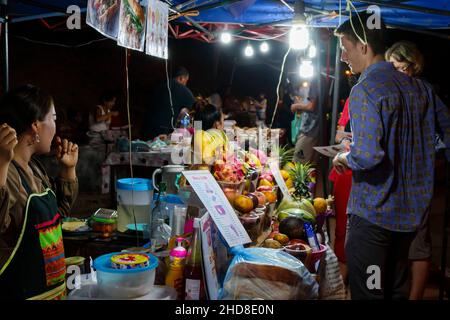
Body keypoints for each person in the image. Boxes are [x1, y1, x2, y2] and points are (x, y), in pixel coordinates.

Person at [332, 13, 450, 299]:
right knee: (395, 290)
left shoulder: (366, 89)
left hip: (373, 218)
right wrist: (421, 156)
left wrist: (345, 159)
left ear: (363, 46)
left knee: (371, 291)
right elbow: (446, 136)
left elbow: (369, 155)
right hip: (408, 219)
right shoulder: (422, 88)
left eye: (345, 47)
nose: (343, 56)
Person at [0, 85, 79, 299]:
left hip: (50, 291)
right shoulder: (7, 173)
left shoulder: (34, 168)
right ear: (35, 126)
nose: (56, 127)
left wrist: (68, 170)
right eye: (52, 118)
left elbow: (55, 221)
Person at [385, 41, 433, 300]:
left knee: (418, 245)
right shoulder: (395, 92)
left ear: (414, 67)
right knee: (398, 243)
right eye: (393, 68)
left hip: (418, 181)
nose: (398, 74)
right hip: (396, 180)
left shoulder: (424, 92)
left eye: (401, 68)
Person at [143, 67, 196, 140]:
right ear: (181, 78)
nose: (185, 84)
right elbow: (186, 113)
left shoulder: (158, 86)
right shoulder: (186, 92)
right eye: (186, 81)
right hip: (165, 133)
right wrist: (183, 129)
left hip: (147, 128)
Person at [290, 80, 320, 164]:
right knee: (311, 165)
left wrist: (296, 105)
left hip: (309, 129)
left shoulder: (315, 82)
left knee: (298, 163)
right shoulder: (321, 81)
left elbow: (311, 106)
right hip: (315, 129)